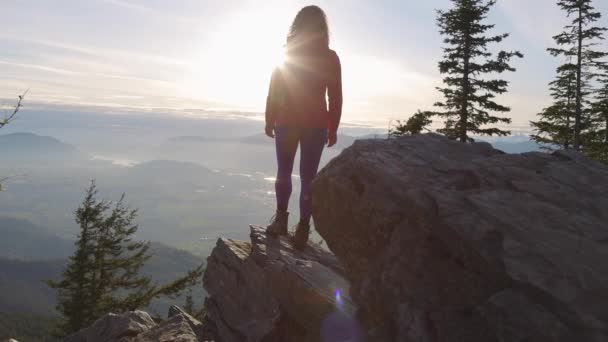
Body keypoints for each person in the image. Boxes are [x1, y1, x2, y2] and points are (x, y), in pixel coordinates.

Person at [264, 5, 343, 250]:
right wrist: (333, 127)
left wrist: (269, 119)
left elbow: (274, 91)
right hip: (316, 125)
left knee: (283, 173)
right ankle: (302, 230)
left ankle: (280, 221)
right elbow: (336, 97)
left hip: (287, 121)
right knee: (309, 179)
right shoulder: (330, 57)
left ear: (297, 26)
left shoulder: (288, 53)